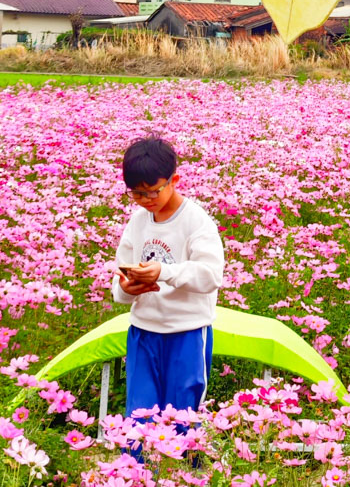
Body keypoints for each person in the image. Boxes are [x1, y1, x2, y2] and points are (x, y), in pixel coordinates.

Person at [113, 137, 224, 459]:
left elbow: (210, 276)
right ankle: (136, 476)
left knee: (182, 417)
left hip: (187, 333)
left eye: (153, 191)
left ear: (174, 180)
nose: (145, 200)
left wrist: (163, 271)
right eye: (136, 193)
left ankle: (185, 476)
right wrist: (126, 290)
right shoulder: (137, 222)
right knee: (139, 416)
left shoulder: (197, 222)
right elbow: (119, 280)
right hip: (144, 331)